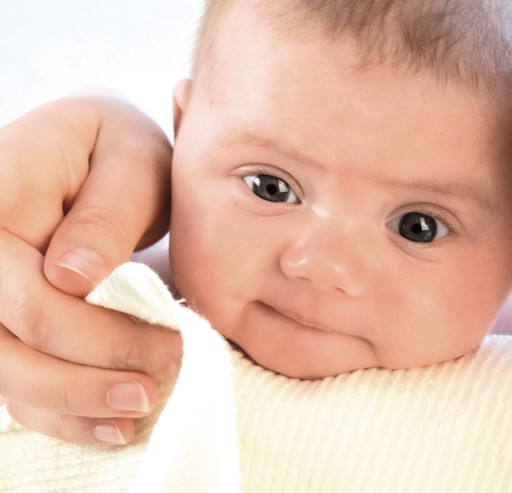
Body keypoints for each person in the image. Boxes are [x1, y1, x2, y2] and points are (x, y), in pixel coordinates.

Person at [2, 0, 512, 444]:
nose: (320, 265)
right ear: (182, 132)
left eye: (418, 226)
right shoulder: (108, 298)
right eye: (270, 187)